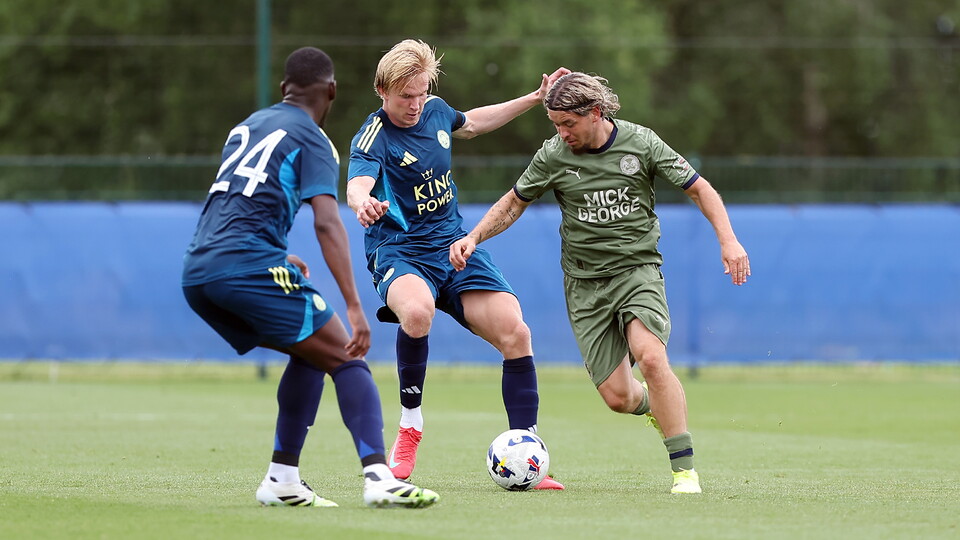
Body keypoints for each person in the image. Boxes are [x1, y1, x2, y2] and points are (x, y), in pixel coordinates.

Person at [450, 72, 751, 495]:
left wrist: (729, 239)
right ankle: (654, 405)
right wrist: (474, 236)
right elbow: (514, 202)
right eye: (554, 124)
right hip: (585, 286)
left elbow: (699, 189)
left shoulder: (640, 143)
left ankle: (684, 472)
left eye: (567, 124)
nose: (561, 133)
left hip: (637, 271)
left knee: (650, 356)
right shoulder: (553, 154)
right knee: (618, 398)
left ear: (595, 113)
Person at [181, 47, 438, 509]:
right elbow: (326, 221)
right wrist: (355, 305)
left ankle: (281, 479)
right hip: (245, 264)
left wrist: (278, 257)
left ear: (284, 90)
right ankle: (380, 478)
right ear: (332, 91)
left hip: (199, 269)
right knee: (345, 354)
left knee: (310, 352)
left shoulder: (248, 126)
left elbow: (236, 207)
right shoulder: (314, 138)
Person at [346, 39, 567, 489]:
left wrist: (532, 98)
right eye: (405, 96)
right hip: (399, 250)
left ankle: (526, 449)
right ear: (382, 91)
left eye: (421, 93)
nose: (415, 104)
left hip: (453, 246)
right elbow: (358, 181)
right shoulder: (373, 136)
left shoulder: (436, 111)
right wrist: (361, 201)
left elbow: (474, 123)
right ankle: (410, 425)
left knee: (516, 332)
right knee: (417, 311)